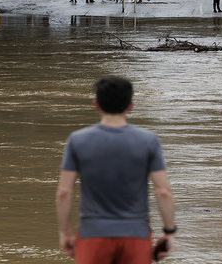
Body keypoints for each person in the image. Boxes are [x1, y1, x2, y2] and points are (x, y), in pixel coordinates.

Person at [56, 76, 176, 264]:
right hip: (136, 234)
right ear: (131, 106)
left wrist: (65, 233)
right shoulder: (148, 140)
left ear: (96, 105)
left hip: (92, 235)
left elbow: (64, 192)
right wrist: (169, 232)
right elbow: (163, 191)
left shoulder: (77, 140)